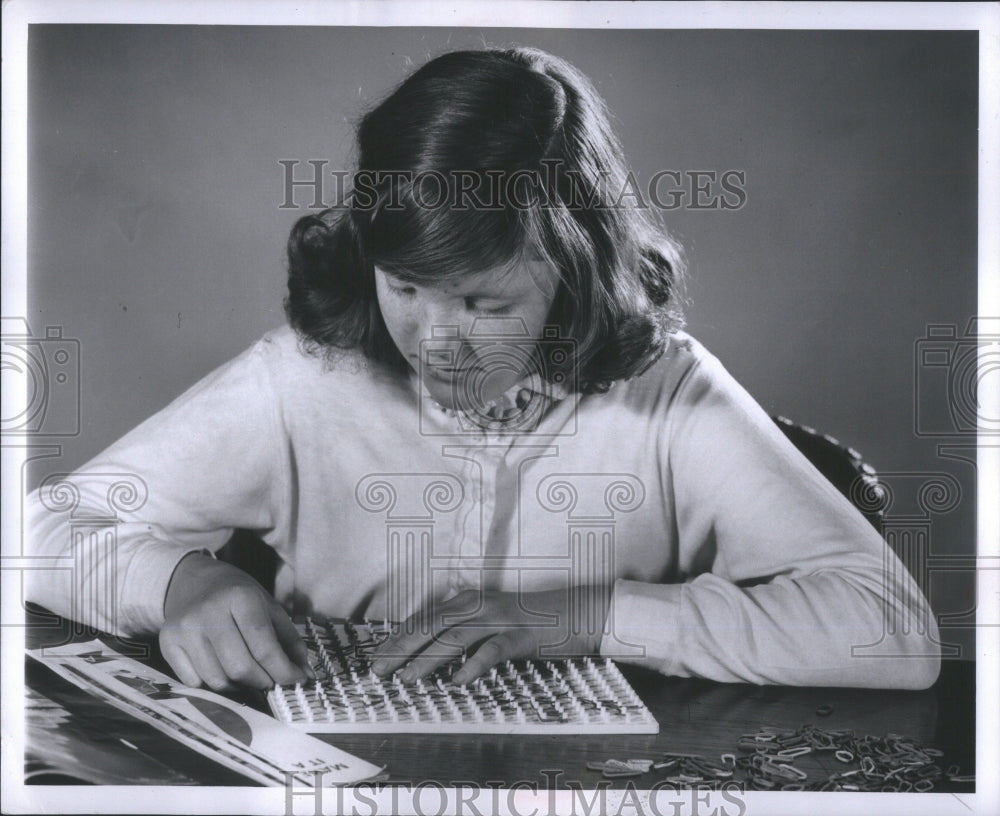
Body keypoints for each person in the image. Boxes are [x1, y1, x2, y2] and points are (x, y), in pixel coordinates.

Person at [26, 46, 940, 693]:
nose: (436, 343)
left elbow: (896, 636)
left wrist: (584, 615)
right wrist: (177, 581)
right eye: (406, 287)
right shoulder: (300, 380)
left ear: (576, 275)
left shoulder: (670, 393)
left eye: (483, 304)